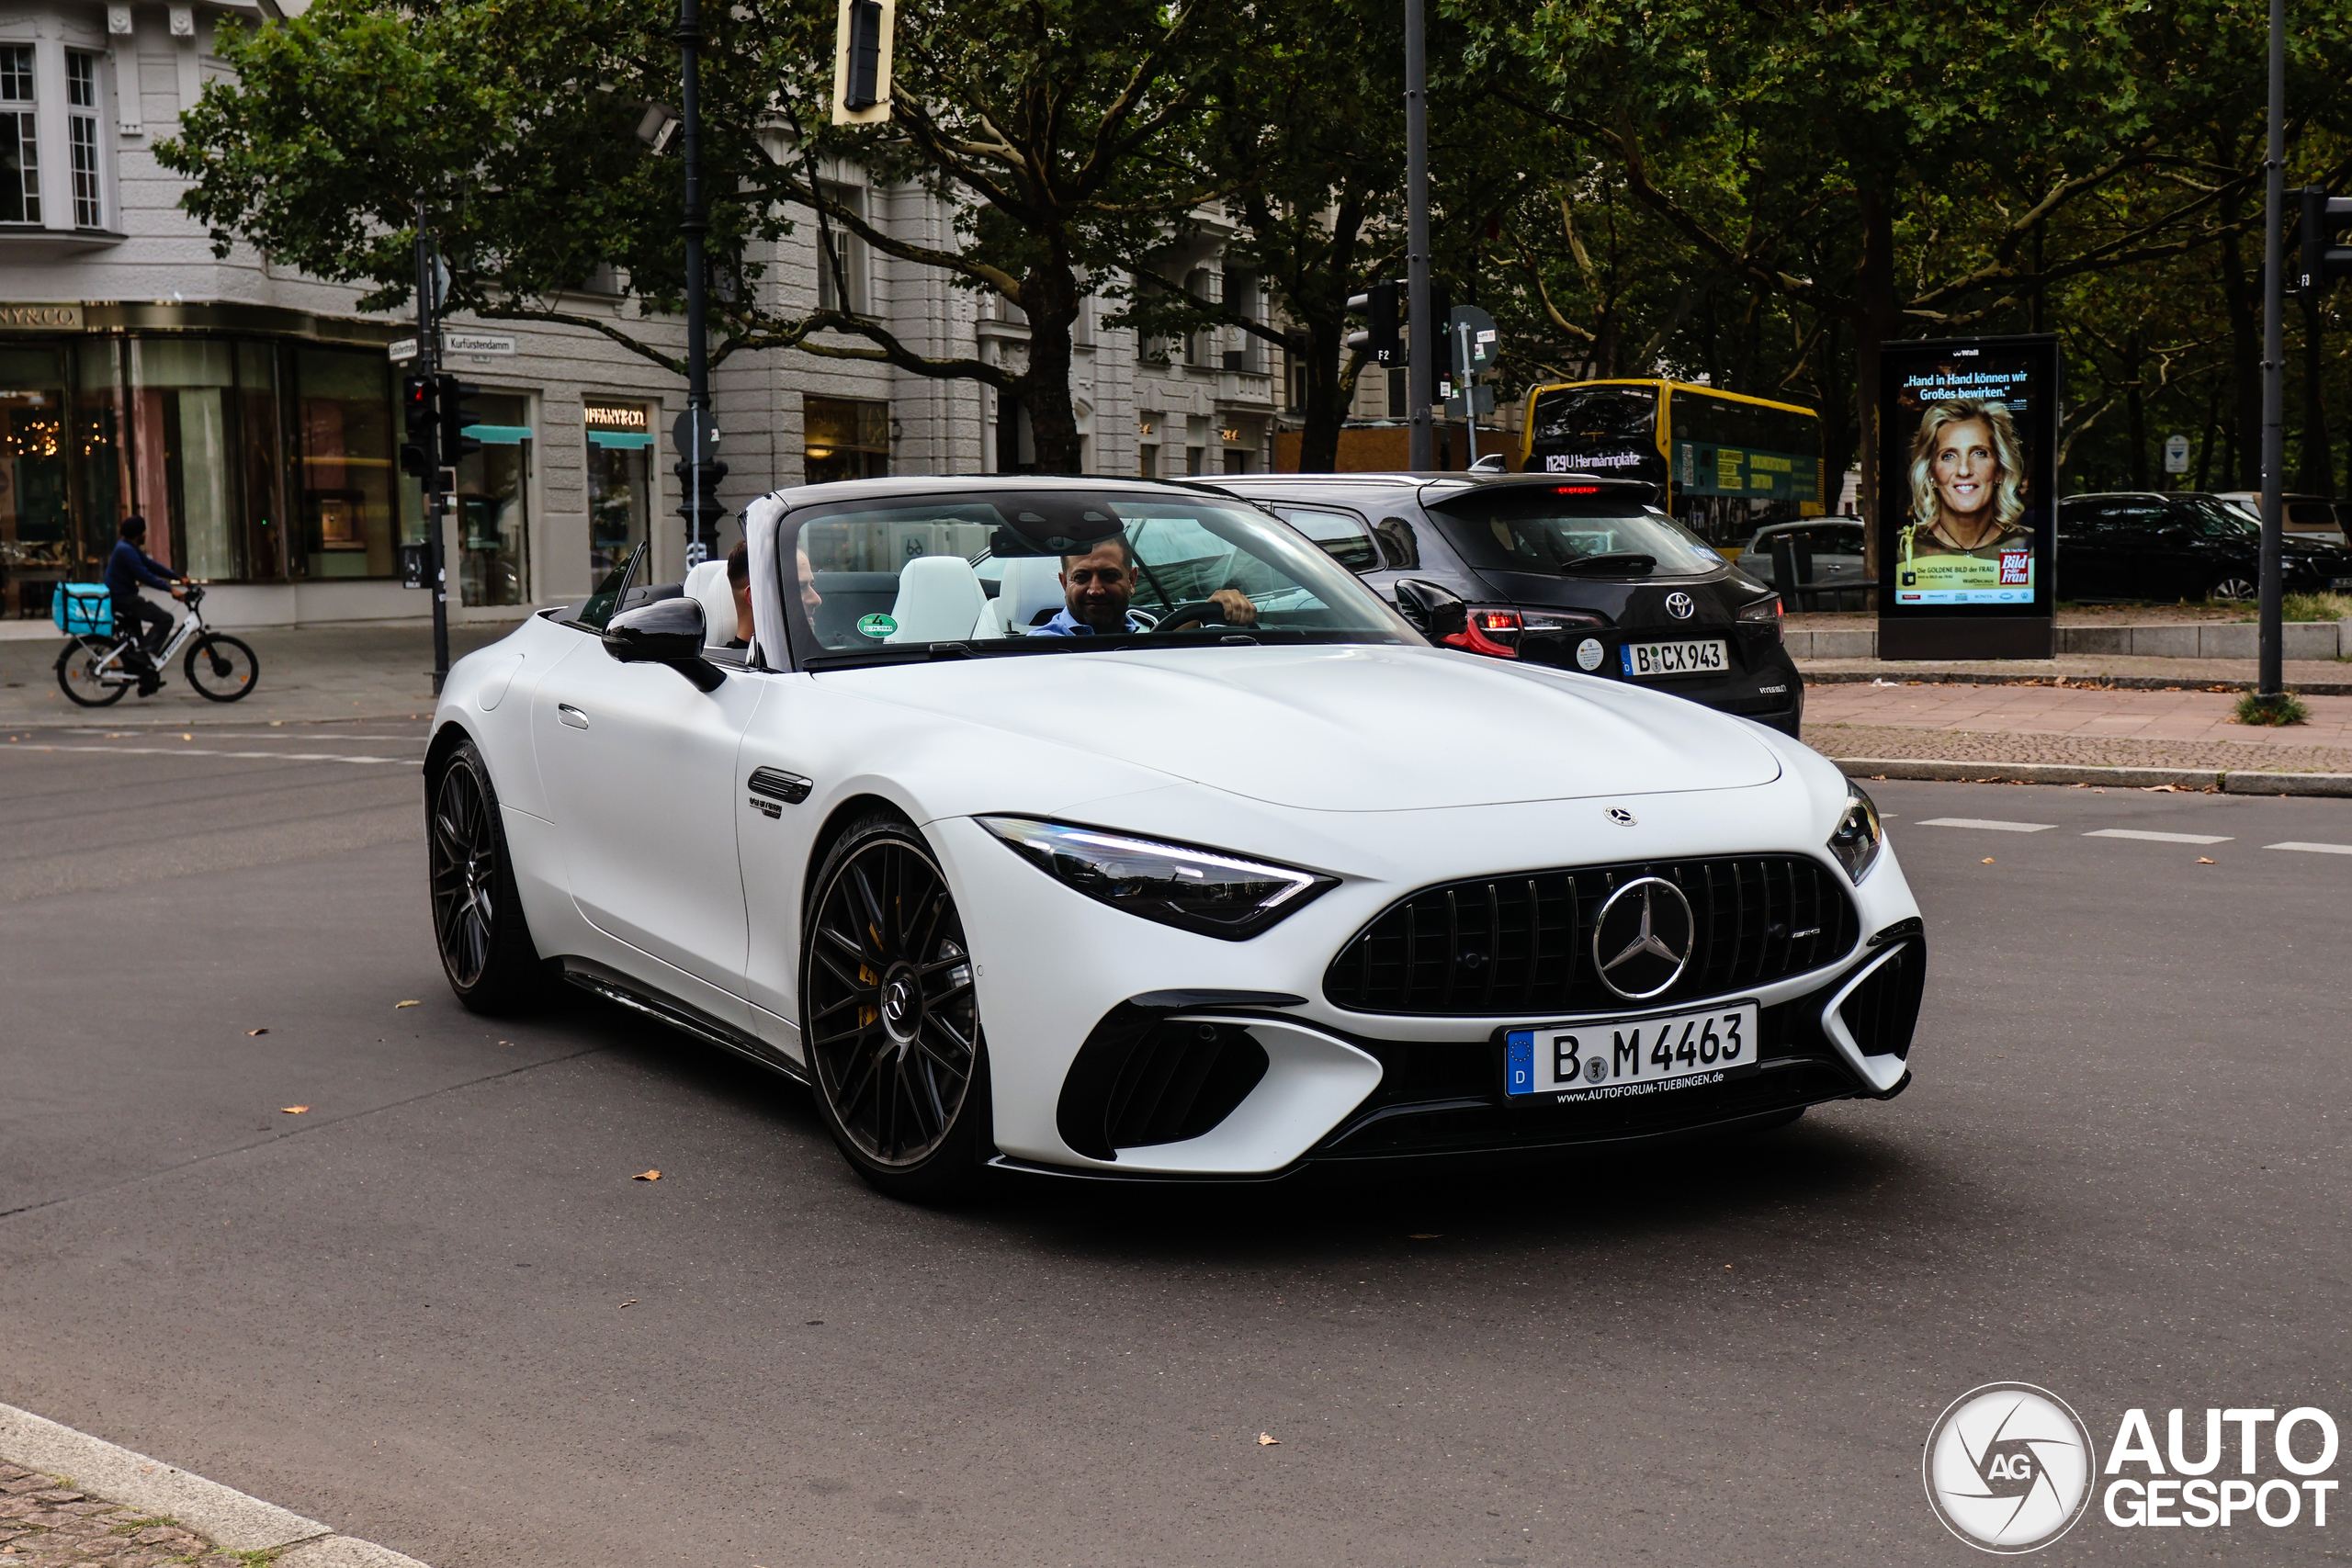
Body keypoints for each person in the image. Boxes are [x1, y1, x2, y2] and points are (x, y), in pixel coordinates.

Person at [1031, 535, 1259, 636]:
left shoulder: (1148, 627)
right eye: (1081, 577)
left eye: (1110, 575)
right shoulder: (1034, 655)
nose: (1095, 589)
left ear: (1132, 580)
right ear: (1064, 583)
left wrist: (1223, 607)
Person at [1901, 398, 2033, 560]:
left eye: (1979, 453)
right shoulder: (1903, 548)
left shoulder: (2030, 547)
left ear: (1999, 470)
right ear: (1931, 473)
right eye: (1948, 456)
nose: (1964, 470)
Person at [106, 515, 186, 694]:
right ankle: (143, 655)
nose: (146, 534)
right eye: (144, 531)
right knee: (165, 619)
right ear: (138, 534)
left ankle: (146, 680)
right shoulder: (126, 550)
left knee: (140, 641)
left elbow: (151, 566)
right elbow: (143, 574)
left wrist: (178, 578)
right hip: (123, 598)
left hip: (122, 597)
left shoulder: (128, 547)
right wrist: (170, 590)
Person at [727, 538, 822, 649]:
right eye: (799, 587)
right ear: (755, 597)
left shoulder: (834, 645)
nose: (817, 600)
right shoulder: (718, 665)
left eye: (812, 585)